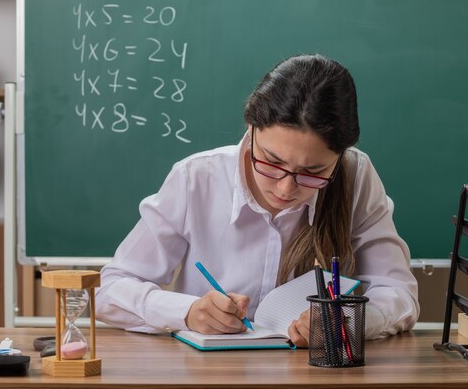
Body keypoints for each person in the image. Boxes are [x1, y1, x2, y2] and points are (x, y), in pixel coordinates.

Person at [95, 54, 419, 346]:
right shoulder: (196, 179)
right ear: (251, 130)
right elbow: (111, 290)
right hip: (209, 379)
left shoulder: (356, 176)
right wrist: (189, 312)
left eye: (313, 172)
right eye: (271, 161)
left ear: (339, 156)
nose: (285, 189)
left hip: (312, 380)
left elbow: (398, 293)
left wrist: (344, 323)